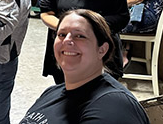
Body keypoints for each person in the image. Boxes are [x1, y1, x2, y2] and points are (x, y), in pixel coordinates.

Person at [20, 9, 150, 124]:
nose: (67, 41)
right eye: (62, 34)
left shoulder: (114, 106)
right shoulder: (52, 92)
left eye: (80, 36)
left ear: (102, 50)